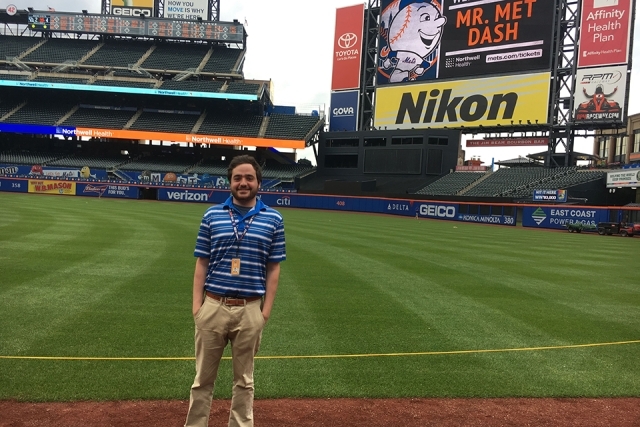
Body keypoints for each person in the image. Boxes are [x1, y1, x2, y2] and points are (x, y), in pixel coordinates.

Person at [185, 155, 286, 427]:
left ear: (258, 183)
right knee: (202, 380)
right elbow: (201, 261)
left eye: (249, 178)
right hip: (213, 307)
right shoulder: (212, 215)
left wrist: (264, 312)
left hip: (250, 309)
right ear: (229, 182)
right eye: (238, 178)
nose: (243, 183)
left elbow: (273, 268)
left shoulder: (274, 219)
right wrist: (198, 307)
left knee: (245, 381)